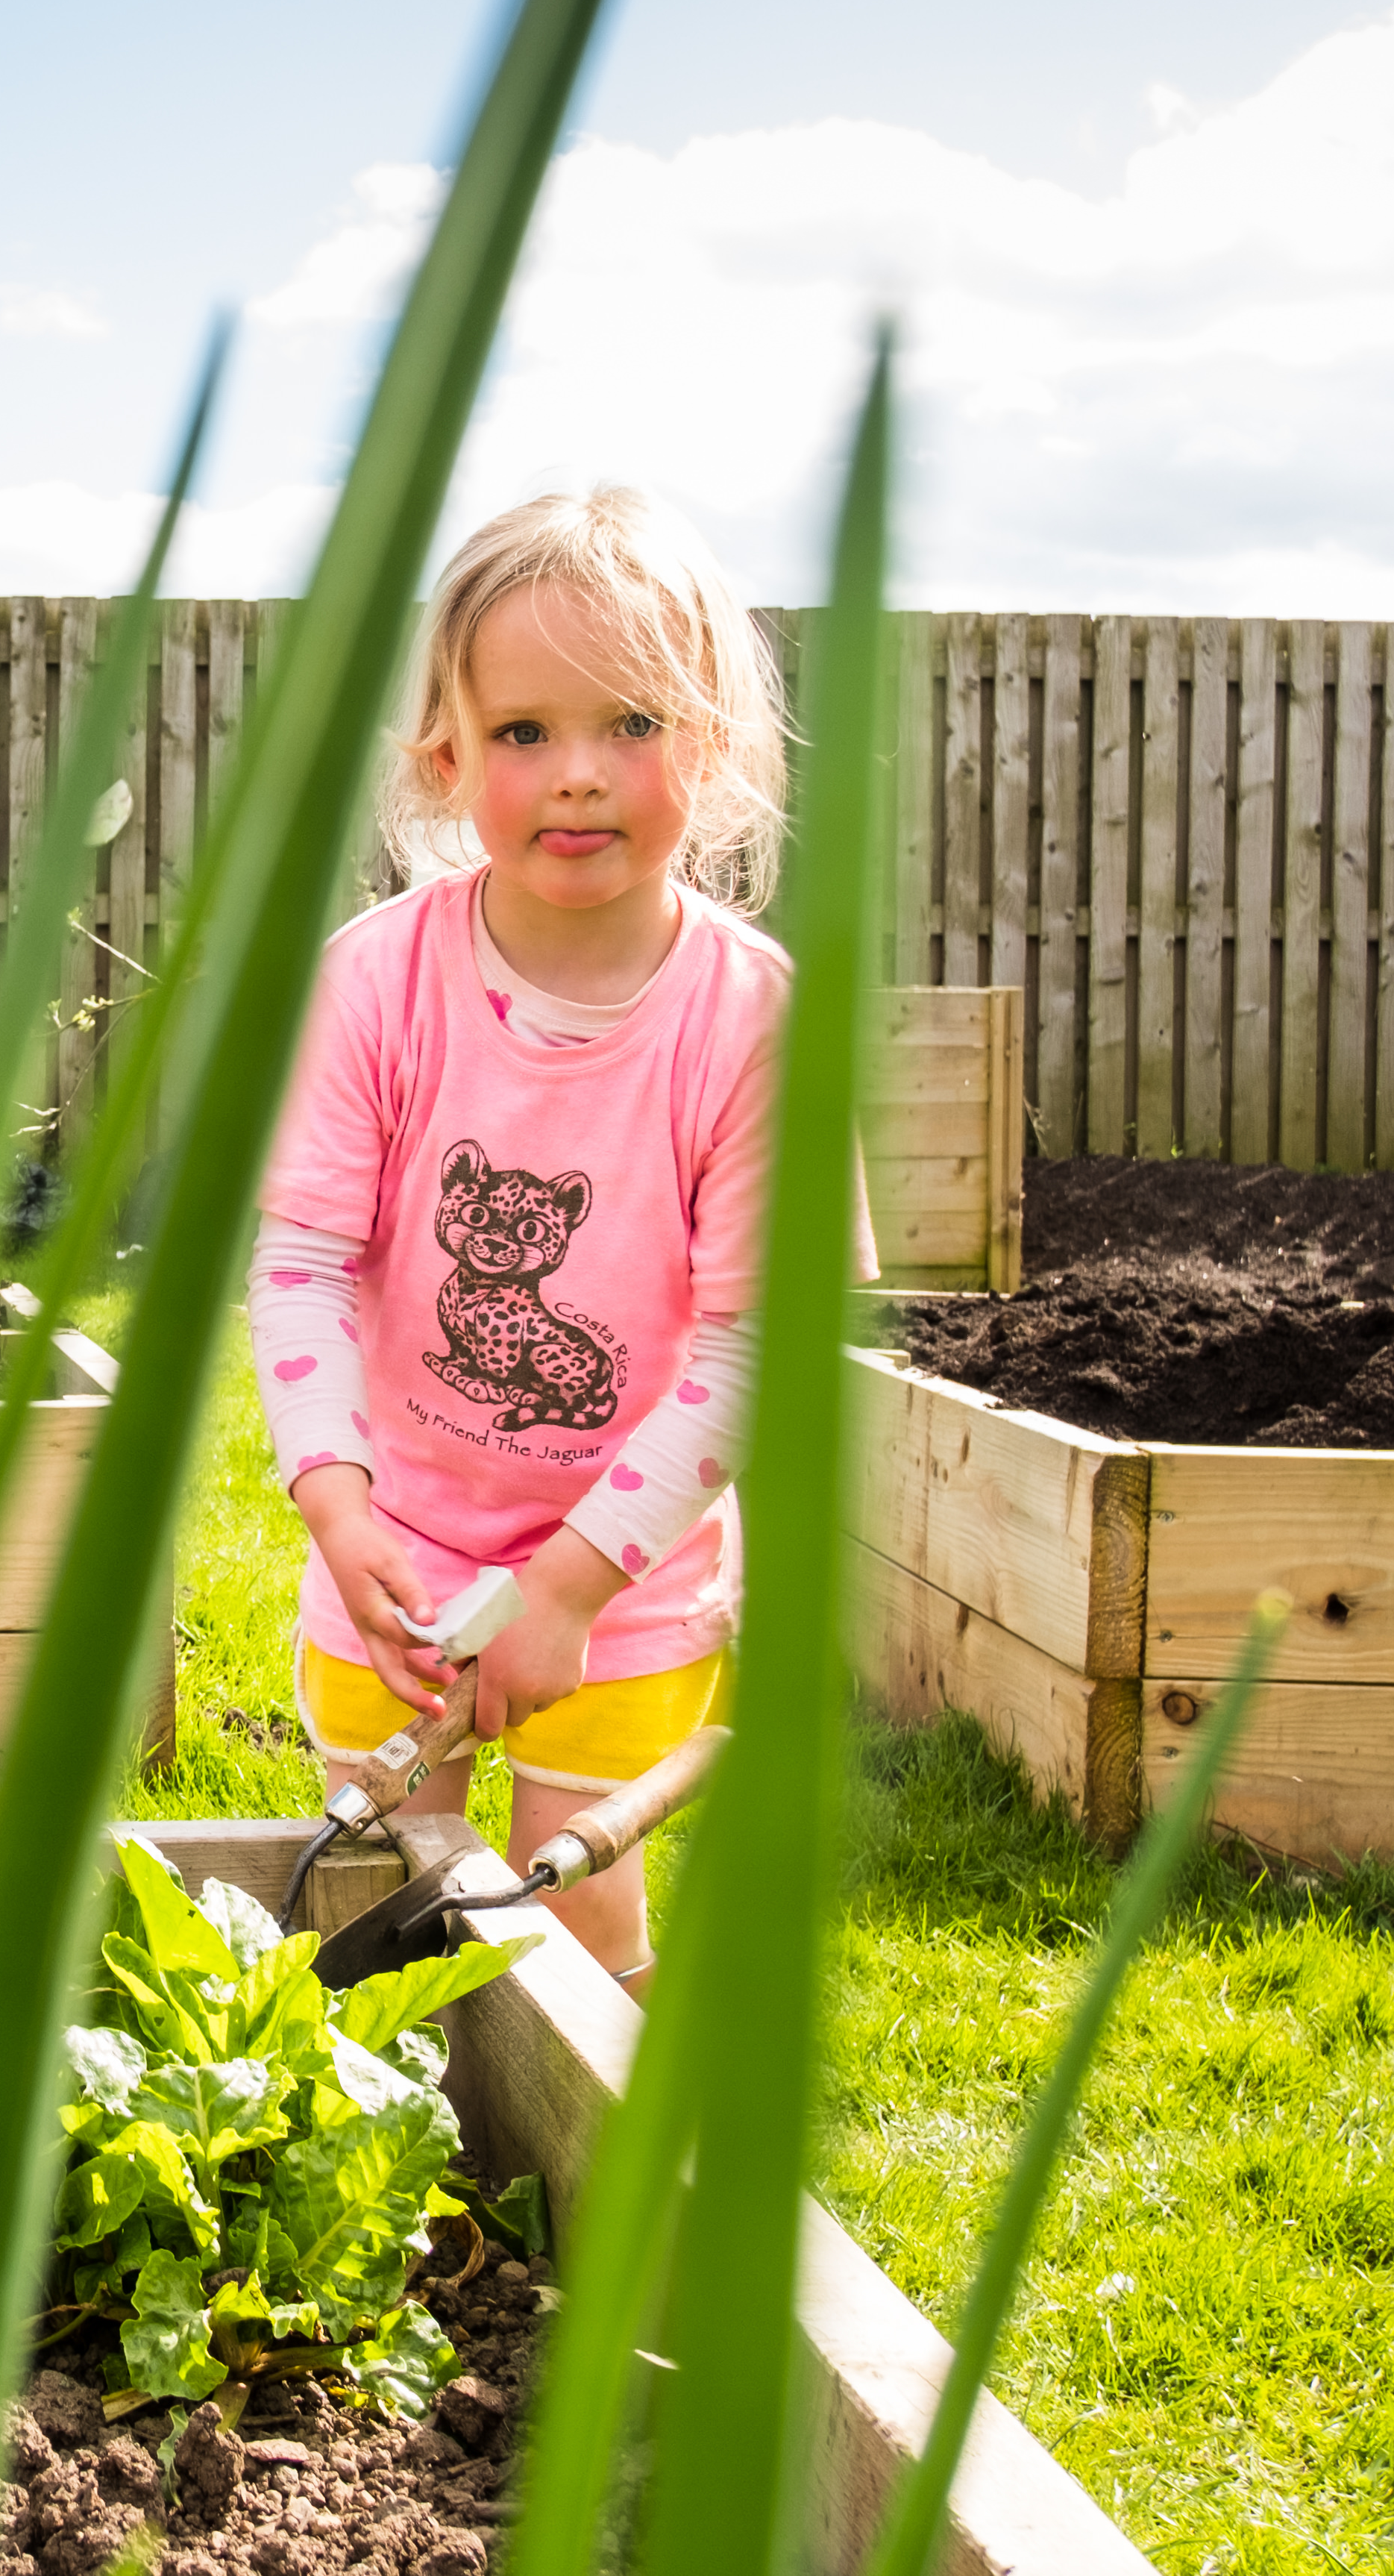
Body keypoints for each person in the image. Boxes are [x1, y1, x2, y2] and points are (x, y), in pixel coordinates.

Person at [251, 486, 855, 1996]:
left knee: (576, 1930)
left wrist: (573, 1586)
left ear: (707, 745)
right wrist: (337, 1508)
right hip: (396, 1557)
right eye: (523, 732)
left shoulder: (754, 1018)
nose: (577, 776)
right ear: (449, 760)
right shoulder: (378, 982)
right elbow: (303, 1265)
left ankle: (594, 2210)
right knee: (377, 1914)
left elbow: (750, 1345)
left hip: (626, 1570)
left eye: (631, 722)